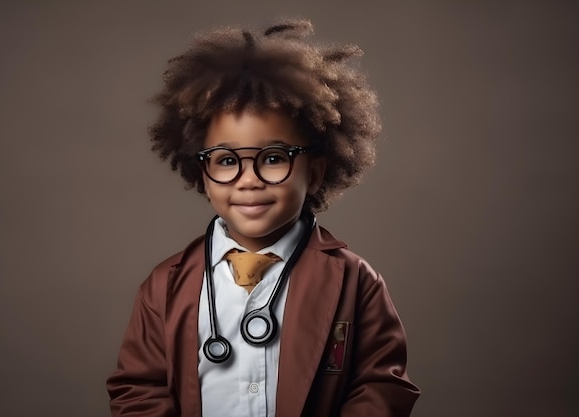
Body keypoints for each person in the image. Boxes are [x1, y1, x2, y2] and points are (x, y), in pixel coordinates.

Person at [107, 18, 420, 417]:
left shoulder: (356, 282)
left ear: (317, 172)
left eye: (273, 158)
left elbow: (381, 385)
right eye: (225, 161)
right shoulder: (163, 288)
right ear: (202, 173)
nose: (248, 180)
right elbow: (139, 388)